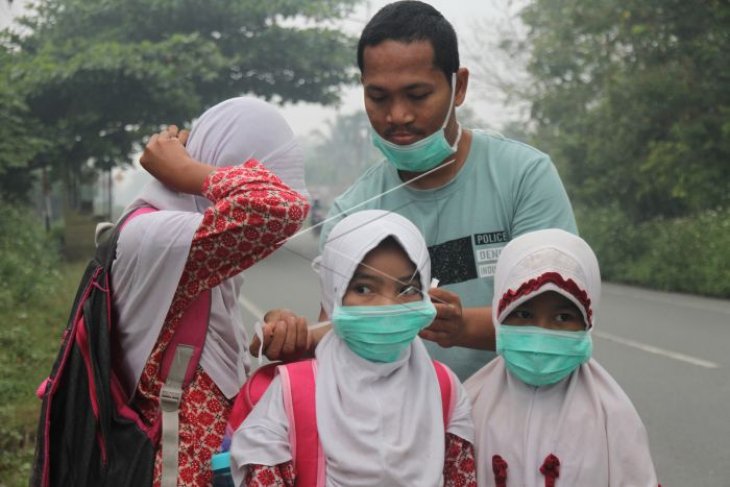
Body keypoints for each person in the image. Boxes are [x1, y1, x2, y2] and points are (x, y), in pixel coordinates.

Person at [257, 0, 577, 380]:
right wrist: (288, 335)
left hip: (510, 426)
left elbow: (562, 319)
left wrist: (462, 328)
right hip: (398, 430)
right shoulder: (350, 212)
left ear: (459, 87)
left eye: (417, 95)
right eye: (378, 98)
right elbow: (338, 337)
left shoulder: (524, 177)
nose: (397, 116)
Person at [111, 97, 310, 487]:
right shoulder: (162, 236)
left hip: (197, 457)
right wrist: (192, 173)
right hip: (168, 466)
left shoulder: (196, 239)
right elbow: (284, 208)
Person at [230, 210, 477, 486]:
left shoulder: (446, 391)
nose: (386, 307)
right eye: (362, 289)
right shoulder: (290, 394)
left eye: (407, 290)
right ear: (333, 293)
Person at [464, 229, 659, 486]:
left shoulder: (613, 415)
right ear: (499, 316)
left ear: (587, 323)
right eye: (524, 314)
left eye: (563, 318)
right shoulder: (469, 405)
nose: (542, 331)